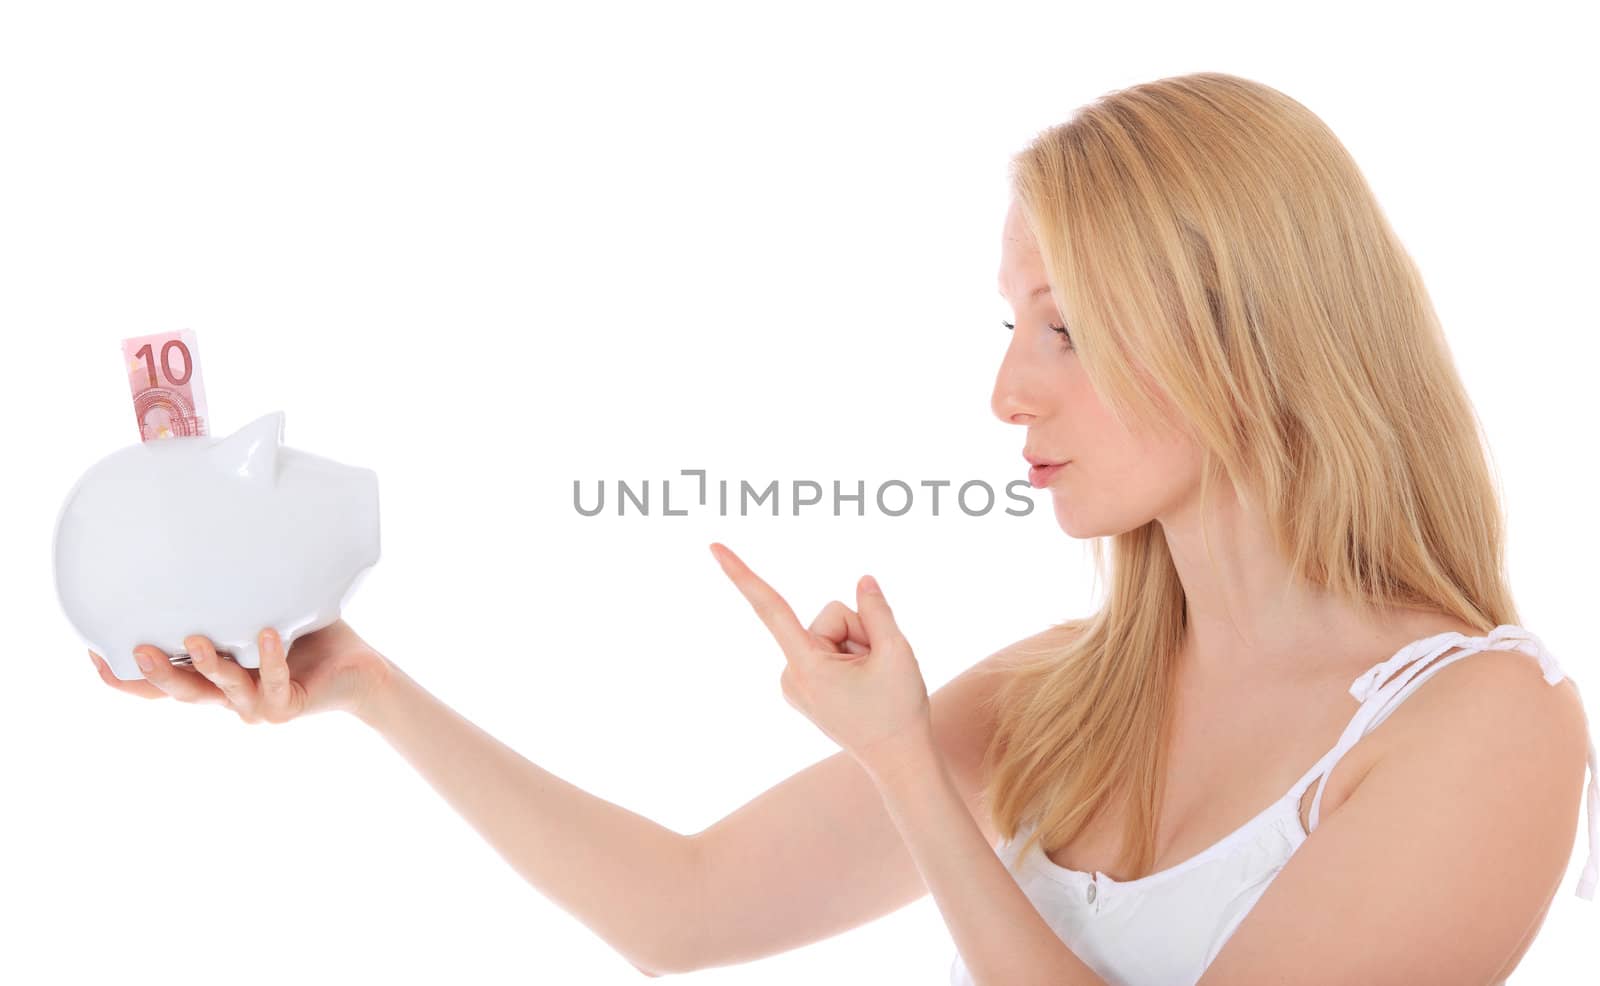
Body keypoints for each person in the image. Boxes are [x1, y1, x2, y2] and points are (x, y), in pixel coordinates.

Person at [89, 70, 1598, 985]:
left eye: (1064, 328)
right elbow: (675, 910)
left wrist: (905, 772)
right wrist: (366, 683)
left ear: (1242, 328)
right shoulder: (1068, 689)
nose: (1009, 388)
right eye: (1013, 323)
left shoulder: (1481, 726)